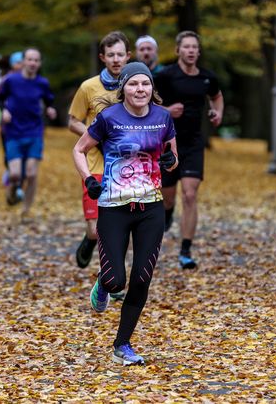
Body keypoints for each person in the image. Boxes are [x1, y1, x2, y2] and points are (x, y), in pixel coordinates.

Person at [72, 62, 178, 366]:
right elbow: (79, 150)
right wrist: (89, 180)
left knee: (142, 278)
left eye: (145, 84)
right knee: (117, 279)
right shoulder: (109, 117)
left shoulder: (163, 118)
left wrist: (169, 159)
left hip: (150, 208)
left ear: (152, 89)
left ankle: (122, 345)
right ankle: (104, 282)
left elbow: (172, 161)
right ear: (124, 89)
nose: (140, 89)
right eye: (133, 84)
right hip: (113, 207)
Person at [155, 30, 224, 269]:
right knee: (167, 197)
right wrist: (166, 110)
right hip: (167, 142)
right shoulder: (165, 76)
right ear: (178, 51)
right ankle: (167, 212)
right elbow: (147, 104)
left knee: (190, 194)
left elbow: (216, 96)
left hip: (194, 143)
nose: (191, 50)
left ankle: (185, 251)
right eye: (187, 47)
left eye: (195, 47)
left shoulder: (206, 77)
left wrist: (217, 113)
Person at [68, 31, 131, 269]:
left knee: (120, 227)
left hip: (126, 167)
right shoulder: (88, 87)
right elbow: (72, 120)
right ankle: (89, 239)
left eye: (120, 55)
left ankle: (113, 276)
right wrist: (94, 135)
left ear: (128, 56)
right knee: (96, 230)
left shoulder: (135, 85)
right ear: (102, 57)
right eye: (111, 55)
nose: (116, 59)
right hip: (94, 165)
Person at [0, 47, 57, 219]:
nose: (33, 63)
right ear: (23, 61)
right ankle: (11, 191)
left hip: (34, 131)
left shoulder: (42, 83)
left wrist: (50, 110)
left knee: (31, 173)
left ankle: (26, 208)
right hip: (14, 131)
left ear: (40, 63)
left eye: (36, 60)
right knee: (15, 173)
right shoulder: (11, 80)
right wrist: (4, 111)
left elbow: (49, 101)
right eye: (30, 59)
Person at [0, 51, 24, 190]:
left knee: (26, 154)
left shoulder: (32, 79)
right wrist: (5, 109)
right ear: (12, 64)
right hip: (8, 125)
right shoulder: (7, 80)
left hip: (28, 125)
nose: (21, 65)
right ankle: (10, 171)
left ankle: (18, 182)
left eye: (23, 62)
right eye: (18, 62)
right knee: (9, 152)